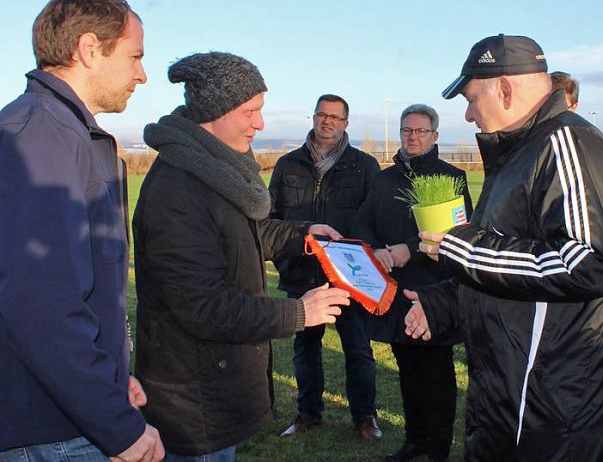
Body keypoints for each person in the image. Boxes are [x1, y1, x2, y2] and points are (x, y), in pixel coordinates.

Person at [405, 34, 603, 460]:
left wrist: (462, 250)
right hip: (520, 389)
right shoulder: (518, 153)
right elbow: (516, 254)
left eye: (471, 99)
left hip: (568, 404)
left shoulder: (568, 143)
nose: (468, 114)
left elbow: (586, 262)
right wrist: (445, 303)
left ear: (504, 88)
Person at [133, 52, 351, 460]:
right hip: (193, 399)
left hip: (214, 383)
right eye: (250, 111)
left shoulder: (215, 170)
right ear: (214, 111)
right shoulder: (179, 189)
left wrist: (302, 234)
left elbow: (244, 235)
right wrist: (298, 312)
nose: (260, 123)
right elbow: (204, 307)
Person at [0, 0, 164, 461]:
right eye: (135, 56)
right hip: (51, 430)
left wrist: (110, 378)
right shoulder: (39, 133)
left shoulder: (63, 130)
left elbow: (81, 284)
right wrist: (114, 423)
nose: (142, 74)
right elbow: (41, 302)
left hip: (71, 411)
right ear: (89, 49)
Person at [353, 104, 473, 462]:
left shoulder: (452, 177)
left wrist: (410, 248)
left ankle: (437, 448)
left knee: (436, 373)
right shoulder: (384, 179)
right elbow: (362, 221)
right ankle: (414, 441)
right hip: (396, 291)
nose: (413, 137)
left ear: (434, 136)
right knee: (406, 369)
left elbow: (458, 233)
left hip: (434, 292)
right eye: (407, 130)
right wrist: (377, 250)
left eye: (421, 131)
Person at [269, 94, 383, 440]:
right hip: (302, 273)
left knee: (358, 349)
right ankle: (308, 414)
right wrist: (286, 259)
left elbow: (374, 219)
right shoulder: (288, 164)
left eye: (335, 117)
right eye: (322, 114)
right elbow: (272, 219)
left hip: (349, 277)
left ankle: (365, 417)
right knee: (305, 349)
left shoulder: (364, 166)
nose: (327, 121)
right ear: (314, 117)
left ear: (346, 123)